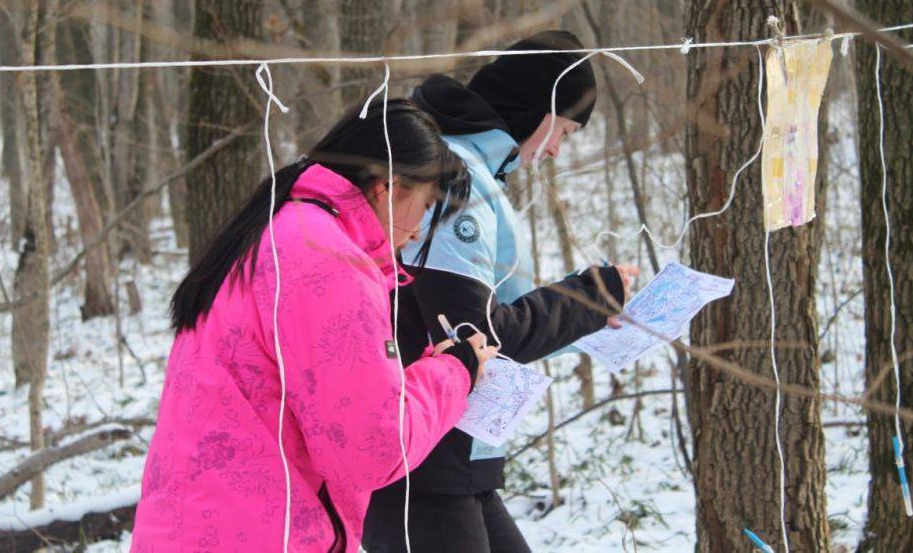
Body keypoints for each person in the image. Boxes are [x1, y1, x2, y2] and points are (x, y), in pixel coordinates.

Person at [132, 99, 499, 552]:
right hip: (262, 533)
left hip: (196, 525)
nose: (419, 231)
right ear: (387, 187)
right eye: (424, 207)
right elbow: (372, 449)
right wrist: (454, 372)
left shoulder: (279, 228)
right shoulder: (329, 260)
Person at [363, 31, 638, 552]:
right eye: (563, 130)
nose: (556, 149)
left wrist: (595, 317)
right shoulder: (454, 178)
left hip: (458, 457)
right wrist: (587, 299)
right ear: (535, 108)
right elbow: (476, 334)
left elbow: (492, 315)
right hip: (423, 461)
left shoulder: (474, 172)